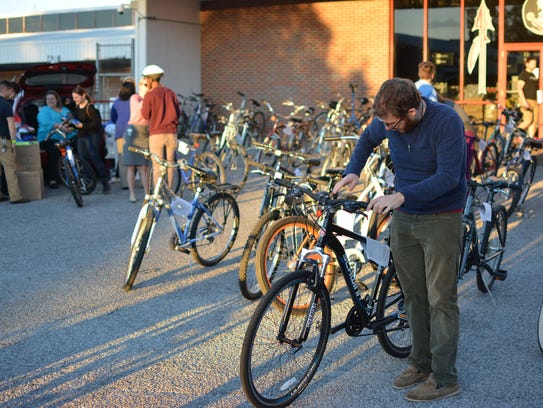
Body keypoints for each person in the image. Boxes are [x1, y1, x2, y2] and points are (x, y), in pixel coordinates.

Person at [333, 78, 466, 402]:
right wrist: (354, 169)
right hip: (406, 217)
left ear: (413, 111)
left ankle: (445, 377)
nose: (388, 129)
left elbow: (449, 177)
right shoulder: (388, 121)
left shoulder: (446, 122)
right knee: (414, 297)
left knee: (441, 300)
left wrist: (401, 196)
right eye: (385, 124)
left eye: (393, 124)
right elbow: (366, 139)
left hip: (441, 218)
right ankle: (420, 364)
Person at [140, 64, 180, 187]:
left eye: (146, 78)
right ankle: (170, 191)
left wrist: (144, 94)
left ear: (150, 79)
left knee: (157, 166)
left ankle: (160, 194)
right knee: (170, 165)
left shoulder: (149, 95)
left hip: (156, 134)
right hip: (171, 133)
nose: (145, 80)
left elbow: (145, 115)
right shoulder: (171, 93)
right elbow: (178, 113)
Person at [71, 85, 111, 194]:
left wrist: (82, 126)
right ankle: (88, 183)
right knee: (83, 159)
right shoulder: (76, 107)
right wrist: (72, 125)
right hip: (81, 136)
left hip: (92, 135)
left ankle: (104, 182)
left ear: (83, 95)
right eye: (73, 97)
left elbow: (96, 123)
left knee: (95, 157)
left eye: (77, 97)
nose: (75, 100)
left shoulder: (90, 107)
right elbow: (76, 122)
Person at [36, 90, 77, 188]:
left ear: (57, 99)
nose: (50, 101)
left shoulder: (65, 110)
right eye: (48, 99)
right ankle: (52, 179)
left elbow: (71, 120)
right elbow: (45, 122)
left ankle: (77, 174)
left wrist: (71, 127)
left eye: (52, 99)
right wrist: (61, 127)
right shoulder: (44, 111)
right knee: (54, 152)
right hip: (47, 137)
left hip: (66, 136)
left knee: (77, 147)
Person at [0, 81, 29, 204]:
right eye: (11, 91)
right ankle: (16, 197)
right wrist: (13, 142)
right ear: (5, 90)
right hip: (3, 141)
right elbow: (11, 126)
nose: (13, 95)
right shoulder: (6, 105)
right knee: (9, 168)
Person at [123, 78, 150, 202]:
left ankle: (147, 193)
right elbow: (140, 109)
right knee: (131, 166)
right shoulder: (134, 98)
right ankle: (132, 194)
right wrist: (145, 95)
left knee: (143, 166)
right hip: (133, 131)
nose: (146, 87)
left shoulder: (149, 98)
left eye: (147, 85)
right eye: (144, 85)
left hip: (144, 132)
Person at [110, 79, 136, 183]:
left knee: (122, 157)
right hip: (134, 131)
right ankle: (133, 179)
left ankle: (125, 182)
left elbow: (113, 117)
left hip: (120, 131)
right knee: (136, 156)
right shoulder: (136, 100)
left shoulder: (116, 102)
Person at [517, 56, 539, 138]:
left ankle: (529, 142)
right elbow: (519, 88)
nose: (534, 65)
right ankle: (513, 135)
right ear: (527, 64)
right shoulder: (523, 75)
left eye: (535, 64)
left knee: (534, 122)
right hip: (527, 101)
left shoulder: (533, 75)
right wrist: (524, 102)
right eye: (532, 63)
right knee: (528, 120)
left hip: (535, 101)